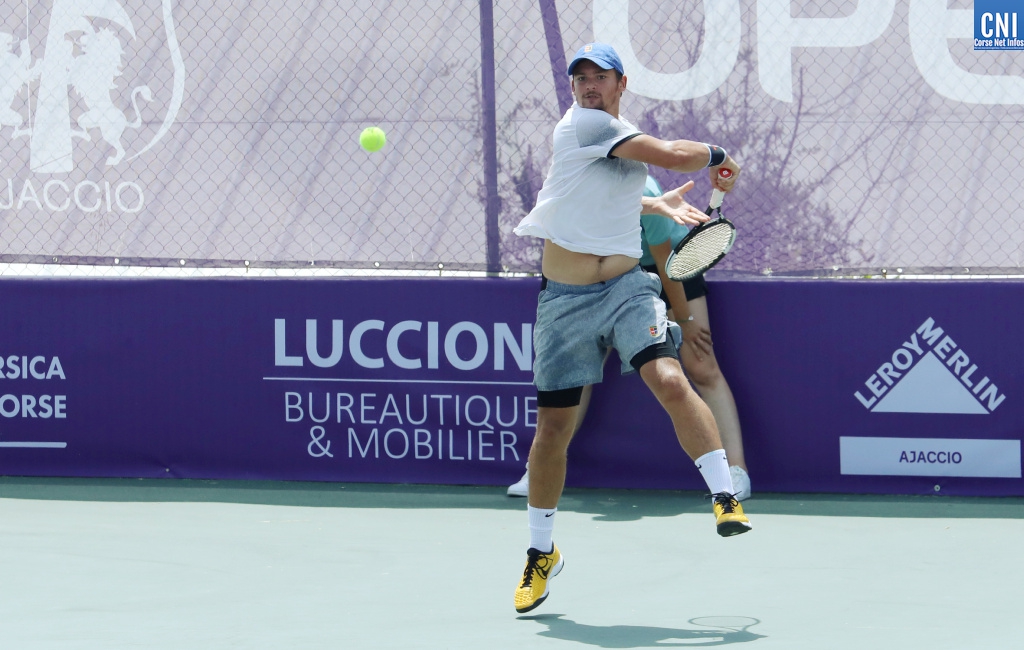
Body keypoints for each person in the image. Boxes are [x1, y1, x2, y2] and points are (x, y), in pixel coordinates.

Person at [510, 42, 751, 615]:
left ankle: (724, 495)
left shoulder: (617, 139)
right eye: (580, 78)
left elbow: (596, 198)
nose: (588, 85)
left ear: (622, 84)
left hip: (627, 288)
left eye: (600, 77)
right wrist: (718, 153)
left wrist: (654, 206)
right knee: (553, 431)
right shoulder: (582, 126)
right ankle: (541, 553)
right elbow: (670, 152)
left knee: (669, 378)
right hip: (564, 300)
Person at [506, 175, 752, 501]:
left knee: (700, 362)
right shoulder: (573, 184)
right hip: (607, 273)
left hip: (670, 266)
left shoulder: (644, 190)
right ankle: (538, 472)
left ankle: (736, 471)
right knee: (576, 373)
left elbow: (666, 264)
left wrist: (685, 320)